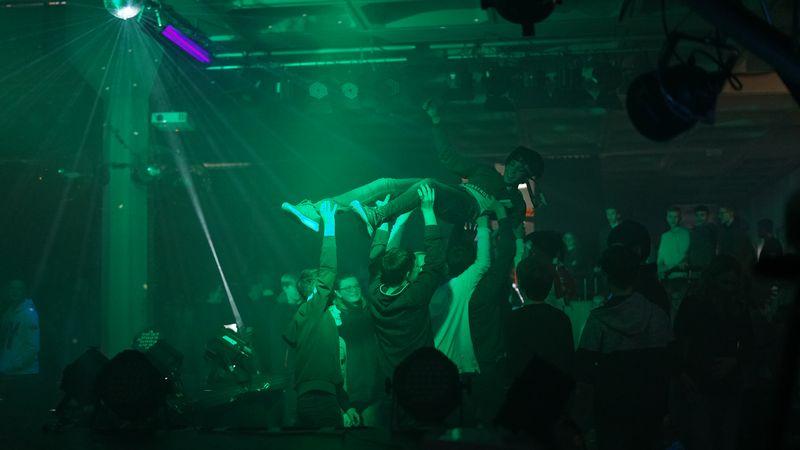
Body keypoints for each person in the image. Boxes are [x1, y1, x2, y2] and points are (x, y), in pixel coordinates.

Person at [281, 102, 543, 235]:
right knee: (386, 183)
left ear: (526, 176)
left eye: (522, 169)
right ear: (509, 161)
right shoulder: (485, 172)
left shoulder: (515, 200)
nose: (515, 169)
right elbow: (448, 157)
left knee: (428, 184)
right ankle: (315, 211)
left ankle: (376, 216)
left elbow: (511, 230)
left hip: (467, 209)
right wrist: (436, 121)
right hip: (454, 194)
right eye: (514, 162)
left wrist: (500, 215)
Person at [576, 244, 673, 450]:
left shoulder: (598, 320)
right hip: (650, 410)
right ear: (636, 275)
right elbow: (668, 364)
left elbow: (584, 370)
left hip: (611, 411)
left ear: (606, 276)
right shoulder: (657, 314)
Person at [283, 201, 359, 429]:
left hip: (319, 397)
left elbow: (324, 371)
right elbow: (328, 268)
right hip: (317, 401)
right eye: (325, 289)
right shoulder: (313, 307)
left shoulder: (309, 318)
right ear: (315, 290)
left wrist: (346, 405)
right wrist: (329, 223)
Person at [674, 255, 754, 450]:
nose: (729, 288)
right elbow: (677, 339)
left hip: (727, 383)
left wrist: (735, 361)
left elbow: (749, 343)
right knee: (704, 438)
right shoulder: (694, 304)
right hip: (699, 381)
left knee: (722, 438)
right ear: (712, 280)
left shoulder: (737, 306)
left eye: (733, 284)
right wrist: (681, 372)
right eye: (725, 282)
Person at [368, 184, 446, 383]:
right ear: (408, 273)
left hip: (390, 378)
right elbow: (435, 262)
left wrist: (396, 216)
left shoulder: (374, 292)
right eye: (416, 266)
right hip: (422, 376)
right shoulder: (415, 296)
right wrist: (427, 210)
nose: (420, 268)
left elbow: (380, 258)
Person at [468, 200, 516, 425]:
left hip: (467, 363)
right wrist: (501, 217)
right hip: (488, 362)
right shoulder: (486, 289)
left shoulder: (451, 286)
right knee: (492, 418)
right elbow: (506, 254)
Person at [508, 254, 574, 380]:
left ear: (521, 285)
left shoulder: (512, 320)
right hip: (555, 387)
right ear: (549, 286)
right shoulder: (561, 318)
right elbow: (568, 361)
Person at [333, 274, 381, 425]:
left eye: (356, 286)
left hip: (373, 385)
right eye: (348, 287)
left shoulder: (370, 312)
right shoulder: (335, 318)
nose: (354, 290)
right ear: (338, 292)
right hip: (350, 389)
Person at [607, 220, 670, 314]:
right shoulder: (656, 290)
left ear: (637, 250)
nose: (612, 257)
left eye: (618, 251)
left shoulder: (644, 293)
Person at [657, 206, 691, 320]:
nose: (673, 219)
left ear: (680, 218)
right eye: (670, 216)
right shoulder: (664, 236)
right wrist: (660, 271)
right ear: (667, 218)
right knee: (668, 309)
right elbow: (660, 258)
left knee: (681, 309)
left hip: (681, 276)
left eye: (675, 217)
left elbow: (686, 254)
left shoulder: (686, 234)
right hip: (667, 278)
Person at [717, 206, 755, 271]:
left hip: (738, 267)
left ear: (731, 213)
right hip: (730, 267)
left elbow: (742, 251)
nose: (719, 216)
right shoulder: (723, 230)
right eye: (719, 213)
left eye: (722, 213)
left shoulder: (740, 229)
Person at [688, 205, 717, 271]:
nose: (699, 218)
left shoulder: (712, 229)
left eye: (702, 215)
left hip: (708, 266)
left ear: (707, 216)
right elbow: (690, 248)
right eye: (697, 215)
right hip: (694, 266)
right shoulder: (692, 231)